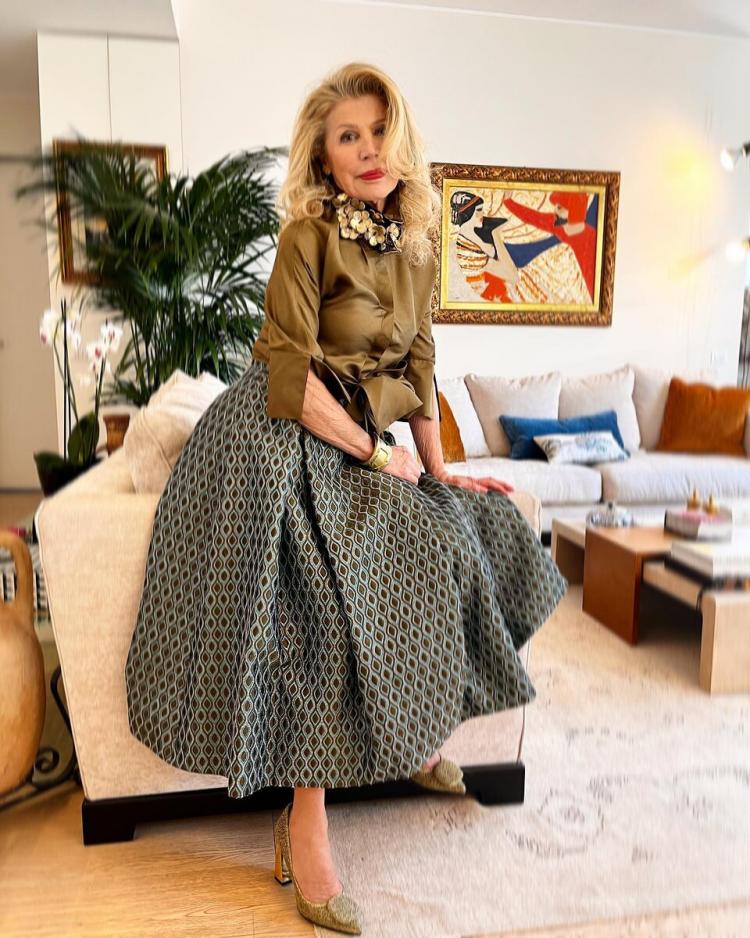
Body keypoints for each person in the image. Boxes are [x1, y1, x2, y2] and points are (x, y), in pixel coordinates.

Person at [125, 62, 568, 936]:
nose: (368, 150)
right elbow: (289, 377)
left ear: (401, 143)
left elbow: (422, 365)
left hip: (361, 436)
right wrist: (379, 454)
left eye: (379, 132)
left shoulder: (420, 243)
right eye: (347, 137)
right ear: (324, 158)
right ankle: (307, 823)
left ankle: (418, 735)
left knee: (461, 533)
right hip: (278, 429)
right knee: (320, 592)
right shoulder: (307, 237)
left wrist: (438, 470)